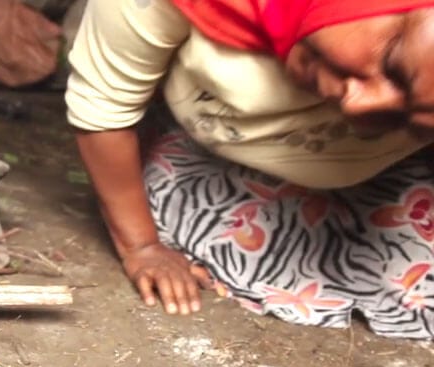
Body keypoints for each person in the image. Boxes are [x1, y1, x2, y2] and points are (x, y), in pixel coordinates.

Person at [65, 0, 434, 339]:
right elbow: (104, 108)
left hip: (390, 179)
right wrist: (142, 246)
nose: (358, 107)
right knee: (242, 250)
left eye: (414, 120)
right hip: (212, 156)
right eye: (392, 62)